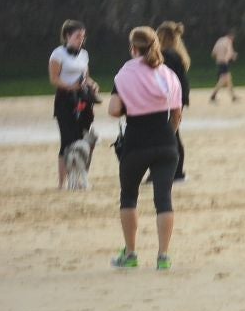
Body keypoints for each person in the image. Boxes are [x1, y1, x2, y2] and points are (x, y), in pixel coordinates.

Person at [107, 26, 183, 271]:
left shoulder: (124, 74)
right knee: (164, 199)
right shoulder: (168, 74)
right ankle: (163, 256)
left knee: (129, 197)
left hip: (136, 141)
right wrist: (168, 133)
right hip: (165, 141)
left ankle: (130, 253)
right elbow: (177, 113)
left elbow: (113, 110)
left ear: (133, 48)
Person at [48, 19, 101, 189]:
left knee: (84, 139)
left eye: (83, 36)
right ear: (67, 36)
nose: (81, 39)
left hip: (83, 99)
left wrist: (92, 84)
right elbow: (54, 79)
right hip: (66, 99)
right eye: (78, 36)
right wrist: (71, 86)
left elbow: (86, 77)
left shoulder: (84, 54)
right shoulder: (57, 54)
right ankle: (63, 182)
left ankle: (81, 178)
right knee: (68, 141)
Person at [156, 21, 191, 182]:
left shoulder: (167, 56)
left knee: (170, 135)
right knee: (173, 134)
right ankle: (176, 171)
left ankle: (175, 171)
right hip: (178, 98)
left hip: (170, 99)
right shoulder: (177, 54)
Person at [209, 31, 240, 103]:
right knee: (223, 80)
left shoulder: (220, 40)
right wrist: (233, 56)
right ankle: (213, 95)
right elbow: (230, 52)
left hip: (219, 62)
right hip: (224, 62)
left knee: (228, 79)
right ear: (231, 37)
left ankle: (233, 97)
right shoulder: (228, 41)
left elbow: (213, 53)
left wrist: (218, 58)